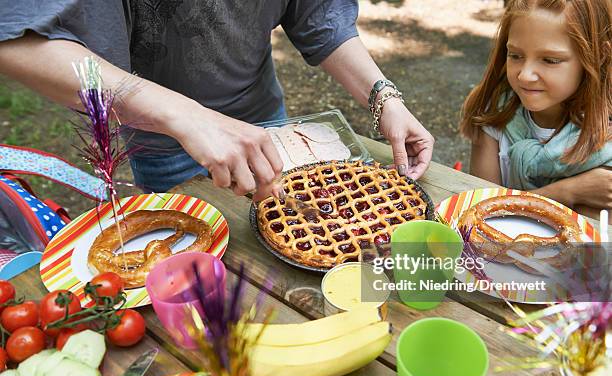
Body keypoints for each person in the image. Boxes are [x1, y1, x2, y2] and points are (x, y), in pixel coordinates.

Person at [0, 1, 434, 201]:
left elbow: (319, 16)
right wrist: (187, 115)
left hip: (268, 126)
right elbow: (16, 38)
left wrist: (384, 96)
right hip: (167, 146)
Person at [460, 0, 611, 220]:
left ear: (599, 57)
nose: (525, 75)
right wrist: (568, 192)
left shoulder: (605, 139)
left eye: (550, 60)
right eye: (516, 56)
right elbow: (482, 213)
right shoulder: (493, 113)